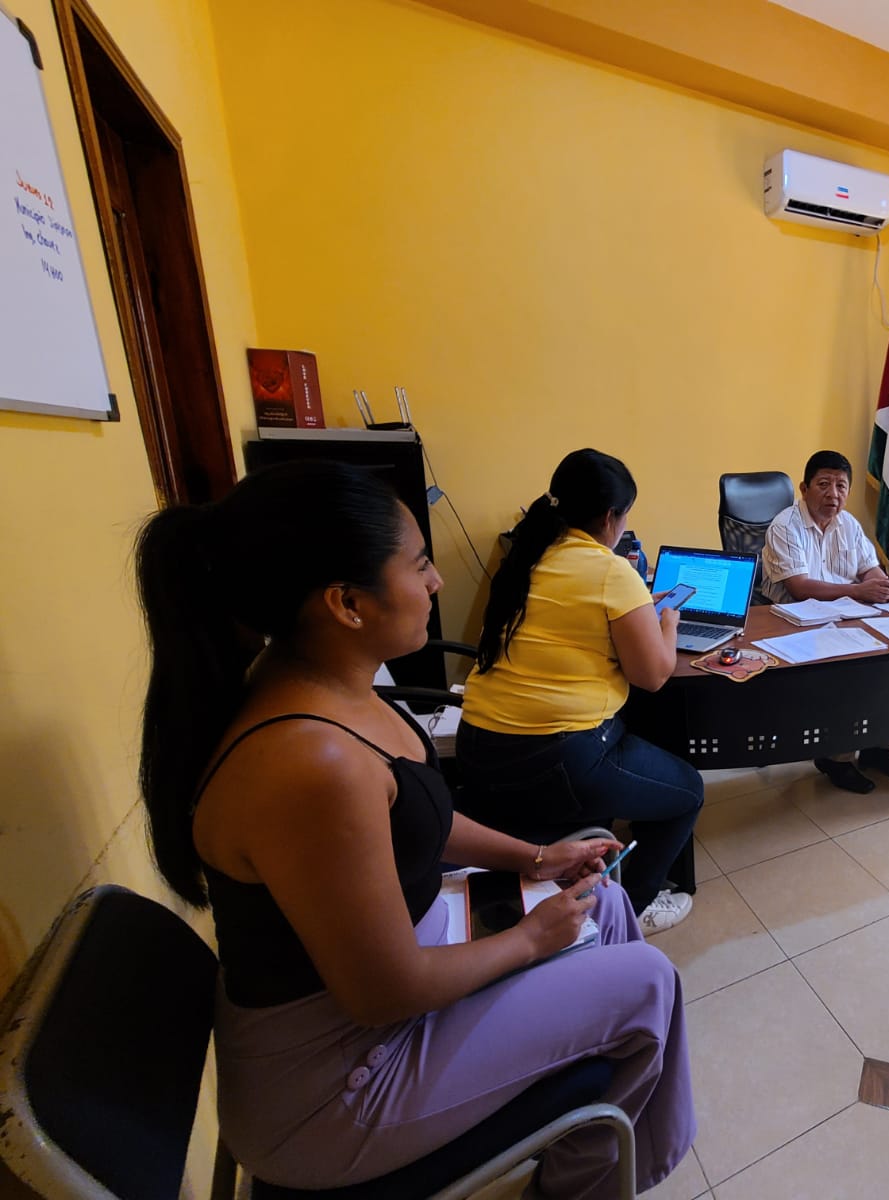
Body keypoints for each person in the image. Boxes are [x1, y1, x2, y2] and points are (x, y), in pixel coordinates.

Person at [134, 460, 694, 1195]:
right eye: (419, 564)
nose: (437, 581)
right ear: (346, 603)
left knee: (605, 899)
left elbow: (419, 817)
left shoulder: (332, 687)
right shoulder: (311, 764)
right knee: (649, 982)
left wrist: (537, 856)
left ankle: (590, 1140)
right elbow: (384, 992)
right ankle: (586, 1176)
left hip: (380, 1000)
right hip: (338, 1088)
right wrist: (529, 939)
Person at [458, 449, 701, 933]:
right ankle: (630, 910)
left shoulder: (525, 557)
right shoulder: (612, 571)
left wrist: (635, 609)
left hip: (477, 747)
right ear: (611, 517)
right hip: (556, 759)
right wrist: (667, 623)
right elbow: (653, 675)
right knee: (688, 792)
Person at [762, 449, 889, 793]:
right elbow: (800, 587)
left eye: (841, 486)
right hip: (794, 622)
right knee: (849, 670)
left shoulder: (848, 524)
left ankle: (879, 748)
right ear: (804, 488)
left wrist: (885, 585)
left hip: (847, 614)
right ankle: (836, 758)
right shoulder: (784, 526)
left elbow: (868, 567)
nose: (833, 493)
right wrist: (859, 590)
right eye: (823, 484)